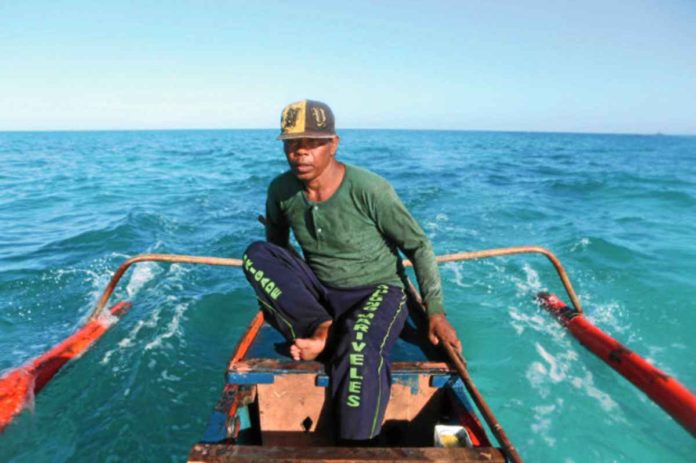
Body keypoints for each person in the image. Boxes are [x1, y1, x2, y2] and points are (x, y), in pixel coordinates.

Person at [242, 99, 460, 443]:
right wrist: (291, 296)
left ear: (333, 144)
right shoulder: (281, 190)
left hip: (378, 290)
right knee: (255, 254)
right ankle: (322, 327)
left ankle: (357, 447)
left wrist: (435, 313)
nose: (300, 152)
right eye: (292, 144)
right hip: (321, 292)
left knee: (358, 349)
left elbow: (419, 246)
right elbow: (278, 251)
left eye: (311, 143)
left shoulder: (370, 189)